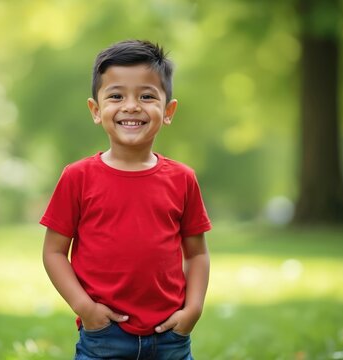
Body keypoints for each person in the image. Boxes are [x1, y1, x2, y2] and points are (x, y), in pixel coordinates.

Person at [40, 39, 212, 359]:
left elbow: (197, 254)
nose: (132, 106)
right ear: (96, 110)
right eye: (116, 96)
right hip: (104, 334)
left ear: (168, 110)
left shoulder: (182, 179)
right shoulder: (77, 177)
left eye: (147, 96)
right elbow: (53, 252)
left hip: (170, 335)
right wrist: (86, 310)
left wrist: (193, 310)